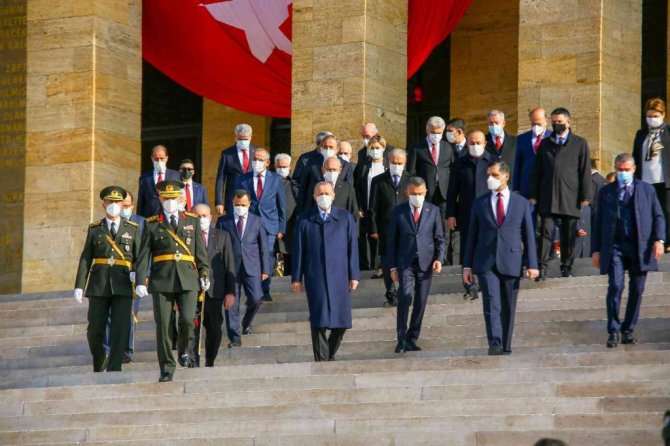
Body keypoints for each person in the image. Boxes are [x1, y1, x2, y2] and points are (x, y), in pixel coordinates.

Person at [135, 180, 210, 382]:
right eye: (166, 198)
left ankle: (184, 349)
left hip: (188, 278)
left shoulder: (192, 221)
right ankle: (167, 368)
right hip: (162, 280)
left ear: (181, 198)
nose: (170, 201)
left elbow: (200, 254)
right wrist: (140, 280)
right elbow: (143, 255)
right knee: (164, 326)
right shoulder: (152, 223)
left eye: (174, 198)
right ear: (160, 198)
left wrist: (205, 274)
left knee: (187, 319)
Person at [463, 161, 539, 355]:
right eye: (488, 175)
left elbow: (529, 235)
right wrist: (467, 266)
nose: (490, 179)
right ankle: (494, 343)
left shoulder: (520, 203)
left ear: (506, 176)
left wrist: (532, 263)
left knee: (508, 305)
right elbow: (471, 235)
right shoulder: (480, 203)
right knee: (491, 302)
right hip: (485, 261)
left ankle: (505, 344)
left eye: (495, 175)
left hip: (511, 260)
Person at [591, 153, 665, 348]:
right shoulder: (606, 192)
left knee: (637, 289)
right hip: (615, 246)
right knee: (615, 286)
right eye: (619, 170)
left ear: (634, 169)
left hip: (640, 246)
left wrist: (659, 239)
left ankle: (628, 329)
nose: (623, 173)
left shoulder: (647, 190)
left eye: (626, 170)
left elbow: (658, 216)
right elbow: (598, 221)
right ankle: (613, 330)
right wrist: (596, 250)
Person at [74, 186, 141, 372]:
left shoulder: (132, 229)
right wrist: (79, 285)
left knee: (120, 328)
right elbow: (86, 258)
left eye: (117, 202)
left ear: (122, 205)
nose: (113, 205)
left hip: (123, 283)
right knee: (94, 329)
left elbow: (139, 256)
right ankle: (99, 362)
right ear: (104, 204)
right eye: (110, 202)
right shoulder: (95, 228)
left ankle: (114, 367)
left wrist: (137, 274)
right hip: (99, 284)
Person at [291, 181, 360, 361]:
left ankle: (328, 353)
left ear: (333, 196)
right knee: (318, 318)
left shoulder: (345, 218)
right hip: (316, 275)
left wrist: (354, 275)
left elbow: (352, 247)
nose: (324, 197)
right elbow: (299, 250)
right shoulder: (305, 219)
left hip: (340, 276)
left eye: (327, 193)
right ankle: (322, 360)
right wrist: (296, 277)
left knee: (342, 321)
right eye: (320, 193)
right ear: (314, 197)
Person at [530, 107, 592, 279]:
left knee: (568, 234)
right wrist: (533, 195)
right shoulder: (546, 143)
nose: (557, 125)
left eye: (560, 122)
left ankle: (566, 266)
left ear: (568, 122)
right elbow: (537, 171)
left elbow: (584, 171)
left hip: (569, 196)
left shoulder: (579, 143)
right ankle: (542, 267)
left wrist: (586, 195)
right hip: (548, 196)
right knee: (545, 232)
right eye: (554, 122)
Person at [388, 177, 446, 353]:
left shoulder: (433, 210)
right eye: (413, 193)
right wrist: (392, 267)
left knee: (420, 301)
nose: (417, 197)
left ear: (425, 192)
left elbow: (440, 238)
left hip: (426, 263)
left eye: (420, 193)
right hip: (405, 262)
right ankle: (401, 339)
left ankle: (412, 337)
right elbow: (391, 241)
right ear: (407, 192)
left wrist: (439, 258)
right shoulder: (398, 212)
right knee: (405, 296)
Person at [216, 190, 271, 346]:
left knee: (256, 299)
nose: (239, 207)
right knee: (231, 304)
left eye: (243, 205)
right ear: (232, 204)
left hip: (252, 267)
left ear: (249, 204)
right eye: (236, 205)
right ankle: (235, 337)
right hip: (230, 269)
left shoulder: (256, 220)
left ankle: (246, 322)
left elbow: (263, 246)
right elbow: (218, 247)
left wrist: (266, 269)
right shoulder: (223, 221)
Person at [446, 130, 495, 300]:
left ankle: (486, 282)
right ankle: (470, 286)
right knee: (467, 248)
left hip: (489, 214)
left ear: (485, 144)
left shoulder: (494, 162)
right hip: (467, 213)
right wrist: (451, 214)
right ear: (467, 144)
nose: (475, 146)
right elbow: (452, 191)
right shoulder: (460, 164)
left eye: (478, 143)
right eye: (472, 143)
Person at [236, 148, 286, 301]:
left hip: (269, 225)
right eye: (255, 159)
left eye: (260, 159)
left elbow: (281, 205)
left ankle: (265, 289)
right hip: (249, 225)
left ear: (267, 162)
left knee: (267, 254)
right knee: (253, 256)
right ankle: (254, 290)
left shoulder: (275, 179)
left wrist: (281, 227)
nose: (256, 162)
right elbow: (236, 202)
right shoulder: (243, 179)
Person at [192, 203, 236, 367]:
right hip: (192, 291)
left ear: (210, 217)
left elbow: (229, 264)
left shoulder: (221, 236)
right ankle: (193, 361)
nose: (201, 219)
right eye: (197, 216)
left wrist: (230, 292)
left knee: (215, 330)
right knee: (191, 329)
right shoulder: (185, 236)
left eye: (204, 216)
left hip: (214, 290)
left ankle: (210, 360)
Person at [369, 148, 411, 307]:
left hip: (406, 229)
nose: (397, 165)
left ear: (405, 163)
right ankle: (391, 293)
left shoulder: (411, 180)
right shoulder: (378, 180)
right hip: (386, 229)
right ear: (388, 162)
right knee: (387, 262)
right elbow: (373, 207)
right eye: (394, 162)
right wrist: (373, 228)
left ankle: (404, 291)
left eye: (400, 163)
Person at [632, 97, 670, 251]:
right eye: (649, 116)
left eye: (655, 116)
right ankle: (650, 240)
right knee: (647, 212)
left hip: (664, 179)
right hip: (645, 179)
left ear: (663, 115)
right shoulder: (641, 134)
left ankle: (667, 241)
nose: (652, 119)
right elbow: (635, 156)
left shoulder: (668, 132)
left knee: (666, 211)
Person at [407, 116, 453, 221]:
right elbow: (410, 172)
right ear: (427, 130)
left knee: (443, 224)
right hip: (424, 193)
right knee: (425, 222)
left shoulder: (448, 147)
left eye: (439, 133)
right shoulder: (417, 148)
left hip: (443, 193)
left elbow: (452, 169)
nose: (436, 136)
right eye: (433, 132)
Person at [354, 135, 388, 274]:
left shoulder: (388, 165)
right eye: (372, 148)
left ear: (383, 148)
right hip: (366, 206)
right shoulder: (363, 166)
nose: (375, 151)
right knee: (366, 237)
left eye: (377, 148)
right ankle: (367, 267)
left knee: (382, 237)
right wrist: (359, 206)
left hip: (384, 209)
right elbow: (357, 187)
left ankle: (381, 266)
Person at [297, 134, 354, 211]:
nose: (328, 149)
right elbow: (303, 188)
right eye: (325, 147)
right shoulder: (311, 164)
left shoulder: (346, 166)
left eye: (331, 147)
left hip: (338, 208)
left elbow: (349, 190)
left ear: (337, 149)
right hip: (315, 209)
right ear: (321, 148)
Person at [214, 123, 257, 216]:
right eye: (240, 139)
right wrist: (219, 202)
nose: (243, 141)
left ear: (250, 137)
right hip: (233, 199)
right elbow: (221, 178)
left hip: (253, 199)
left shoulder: (257, 152)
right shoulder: (227, 154)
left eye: (245, 139)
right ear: (235, 137)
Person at [513, 107, 551, 198]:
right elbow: (517, 165)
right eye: (533, 124)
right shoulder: (521, 139)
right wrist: (516, 188)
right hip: (527, 188)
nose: (536, 127)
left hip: (548, 188)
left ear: (546, 121)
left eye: (539, 124)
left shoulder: (553, 138)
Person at [136, 145, 180, 217]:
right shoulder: (145, 178)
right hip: (151, 217)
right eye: (156, 159)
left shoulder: (175, 175)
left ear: (166, 158)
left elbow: (180, 197)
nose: (159, 161)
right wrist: (139, 219)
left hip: (169, 216)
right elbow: (141, 201)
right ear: (152, 158)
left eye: (161, 158)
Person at [275, 153, 298, 276]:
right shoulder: (270, 182)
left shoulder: (295, 183)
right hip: (273, 227)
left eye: (284, 167)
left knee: (290, 262)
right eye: (279, 167)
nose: (282, 169)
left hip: (290, 227)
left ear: (290, 167)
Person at [485, 109, 518, 179]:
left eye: (496, 123)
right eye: (491, 123)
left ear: (503, 123)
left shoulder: (515, 141)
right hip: (489, 181)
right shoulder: (483, 142)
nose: (494, 125)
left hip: (510, 182)